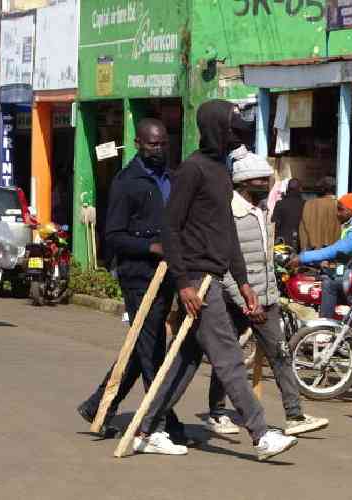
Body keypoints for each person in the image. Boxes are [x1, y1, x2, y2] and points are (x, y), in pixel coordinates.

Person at [133, 100, 298, 460]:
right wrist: (184, 284)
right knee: (228, 358)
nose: (234, 136)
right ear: (213, 129)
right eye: (229, 129)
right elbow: (170, 228)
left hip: (216, 276)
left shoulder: (222, 171)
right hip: (196, 279)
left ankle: (147, 429)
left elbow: (227, 233)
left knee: (186, 359)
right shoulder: (192, 170)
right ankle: (260, 433)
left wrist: (242, 282)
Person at [76, 118, 185, 443]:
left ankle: (98, 405)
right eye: (153, 144)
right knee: (151, 347)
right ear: (138, 143)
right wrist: (150, 246)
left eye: (163, 143)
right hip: (138, 276)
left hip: (166, 274)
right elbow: (113, 237)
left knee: (143, 346)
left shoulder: (171, 178)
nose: (159, 149)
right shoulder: (126, 182)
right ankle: (163, 421)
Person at [207, 152, 328, 437]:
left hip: (266, 296)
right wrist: (244, 301)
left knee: (280, 353)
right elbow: (223, 265)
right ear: (244, 182)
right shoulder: (230, 213)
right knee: (229, 357)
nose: (266, 184)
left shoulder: (263, 209)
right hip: (237, 299)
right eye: (261, 180)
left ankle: (295, 415)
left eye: (267, 179)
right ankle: (216, 412)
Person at [289, 192, 352, 319]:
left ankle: (324, 324)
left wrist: (303, 257)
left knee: (329, 284)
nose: (337, 214)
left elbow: (335, 250)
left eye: (341, 210)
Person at [299, 176, 340, 250]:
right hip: (332, 253)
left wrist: (304, 250)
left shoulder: (309, 204)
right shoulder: (339, 205)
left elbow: (303, 230)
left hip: (313, 252)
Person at [272, 178, 305, 250]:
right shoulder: (305, 204)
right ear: (300, 189)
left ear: (287, 189)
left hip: (283, 243)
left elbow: (274, 224)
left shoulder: (280, 204)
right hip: (301, 243)